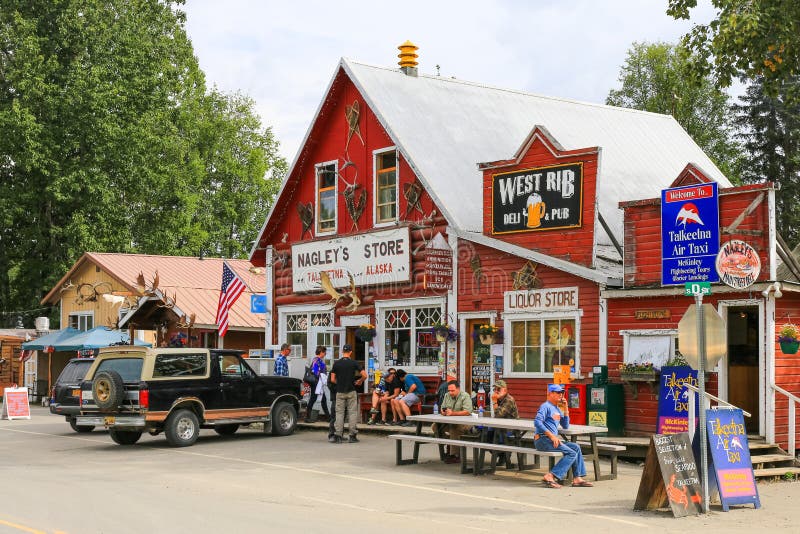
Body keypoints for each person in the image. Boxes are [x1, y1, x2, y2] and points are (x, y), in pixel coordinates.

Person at [533, 384, 593, 488]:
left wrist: (565, 408)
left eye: (562, 393)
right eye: (558, 393)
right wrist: (552, 436)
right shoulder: (545, 406)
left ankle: (577, 478)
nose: (561, 395)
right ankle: (550, 476)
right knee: (571, 453)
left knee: (576, 447)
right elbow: (537, 422)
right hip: (542, 439)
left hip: (551, 440)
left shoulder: (557, 409)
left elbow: (565, 425)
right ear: (550, 393)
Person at [330, 344, 366, 443]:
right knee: (352, 413)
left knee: (339, 414)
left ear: (342, 351)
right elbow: (364, 375)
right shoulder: (354, 363)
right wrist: (360, 381)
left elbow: (332, 379)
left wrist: (340, 382)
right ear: (350, 352)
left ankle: (338, 436)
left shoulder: (336, 364)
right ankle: (352, 435)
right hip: (351, 391)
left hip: (340, 392)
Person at [431, 379, 473, 463]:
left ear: (458, 389)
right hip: (449, 421)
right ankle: (451, 445)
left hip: (464, 423)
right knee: (435, 426)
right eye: (449, 390)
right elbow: (443, 407)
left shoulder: (465, 396)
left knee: (454, 428)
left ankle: (455, 455)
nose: (450, 392)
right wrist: (443, 412)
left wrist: (453, 413)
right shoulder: (447, 395)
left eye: (452, 390)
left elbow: (467, 411)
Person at [305, 346, 330, 422]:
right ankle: (308, 417)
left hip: (318, 384)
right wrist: (322, 375)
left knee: (322, 399)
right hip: (316, 384)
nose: (325, 354)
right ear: (321, 352)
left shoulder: (317, 360)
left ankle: (328, 417)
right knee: (313, 399)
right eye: (324, 352)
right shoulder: (317, 360)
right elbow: (315, 372)